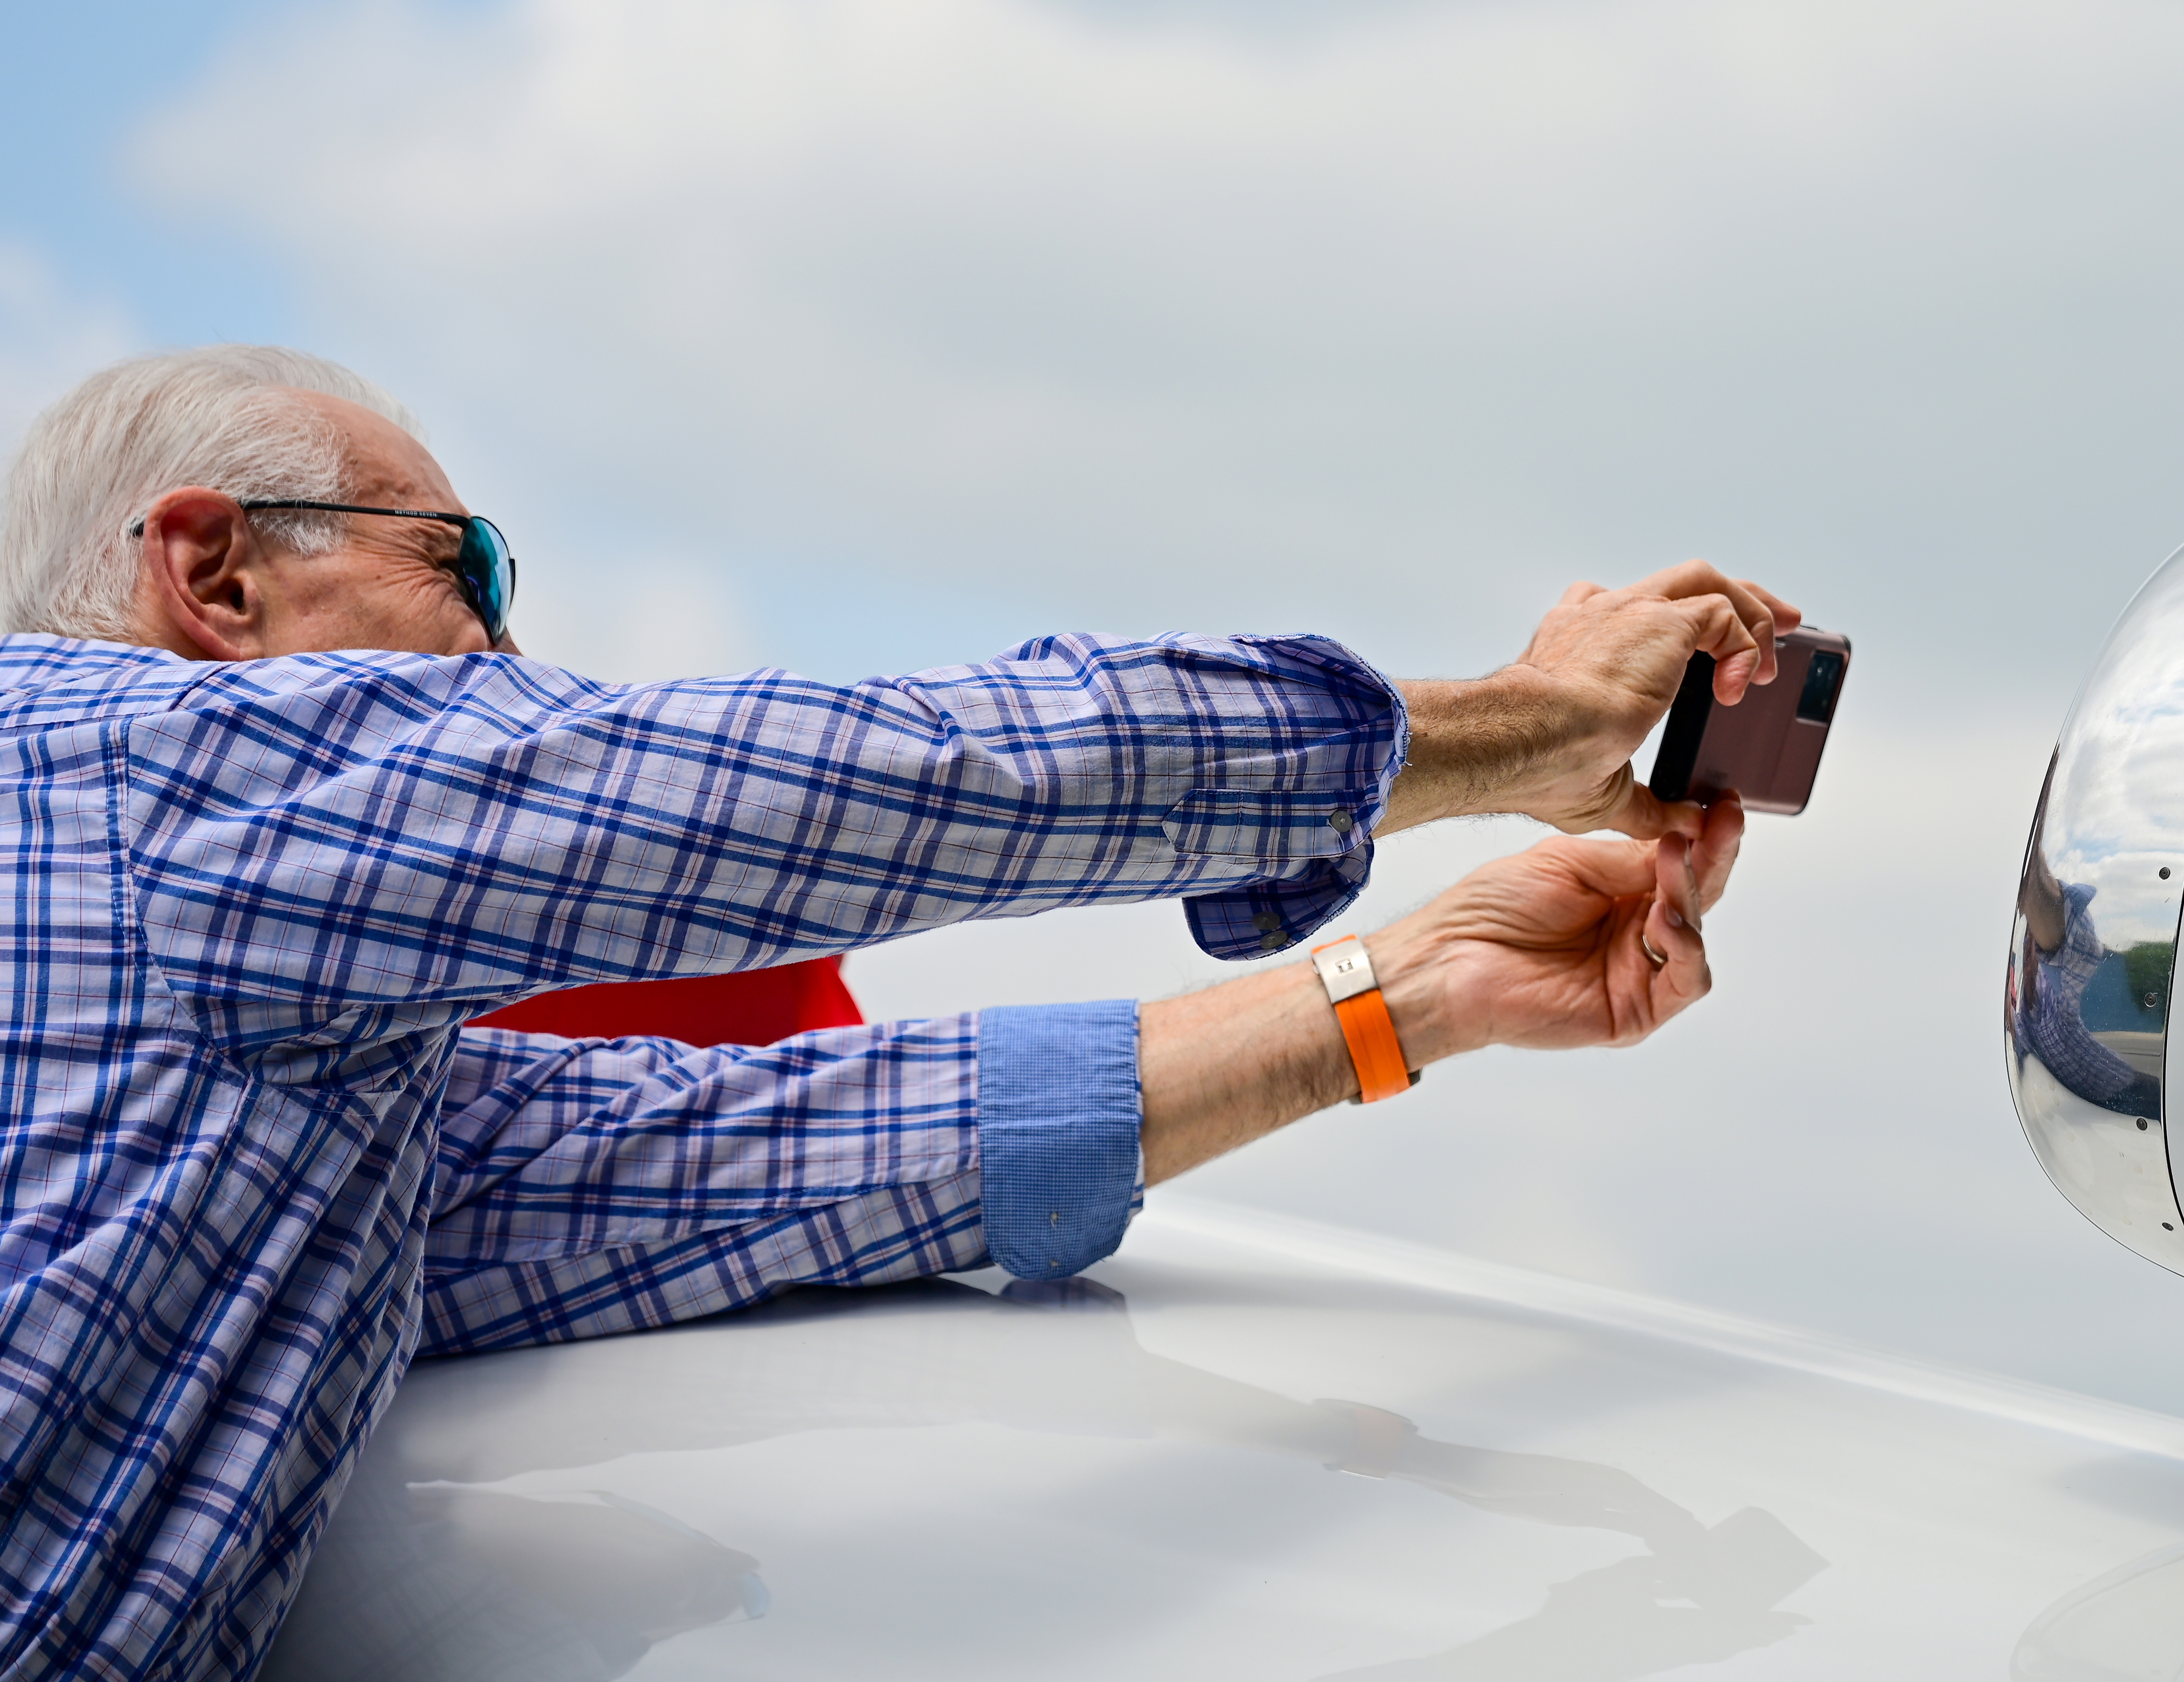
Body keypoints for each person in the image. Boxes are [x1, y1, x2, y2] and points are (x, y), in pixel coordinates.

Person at [0, 346, 1794, 1680]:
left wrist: (1403, 992)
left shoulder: (283, 1069)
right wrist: (1512, 728)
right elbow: (874, 782)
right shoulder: (150, 784)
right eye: (462, 566)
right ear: (214, 574)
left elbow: (764, 1154)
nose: (510, 661)